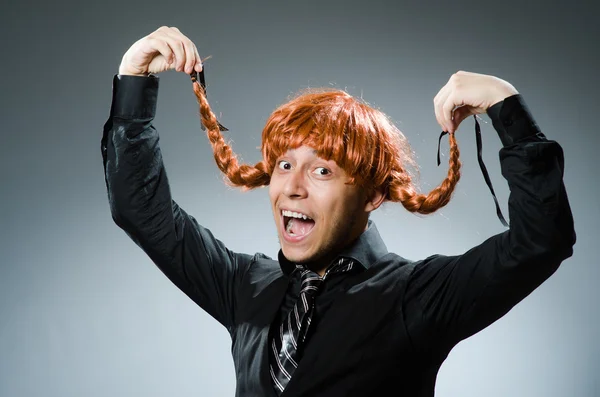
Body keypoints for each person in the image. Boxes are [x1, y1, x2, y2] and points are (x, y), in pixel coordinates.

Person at [101, 26, 576, 397]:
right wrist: (133, 80)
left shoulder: (416, 296)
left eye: (322, 171)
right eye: (284, 164)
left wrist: (504, 106)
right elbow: (141, 209)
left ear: (372, 195)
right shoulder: (242, 286)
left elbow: (538, 242)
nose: (292, 186)